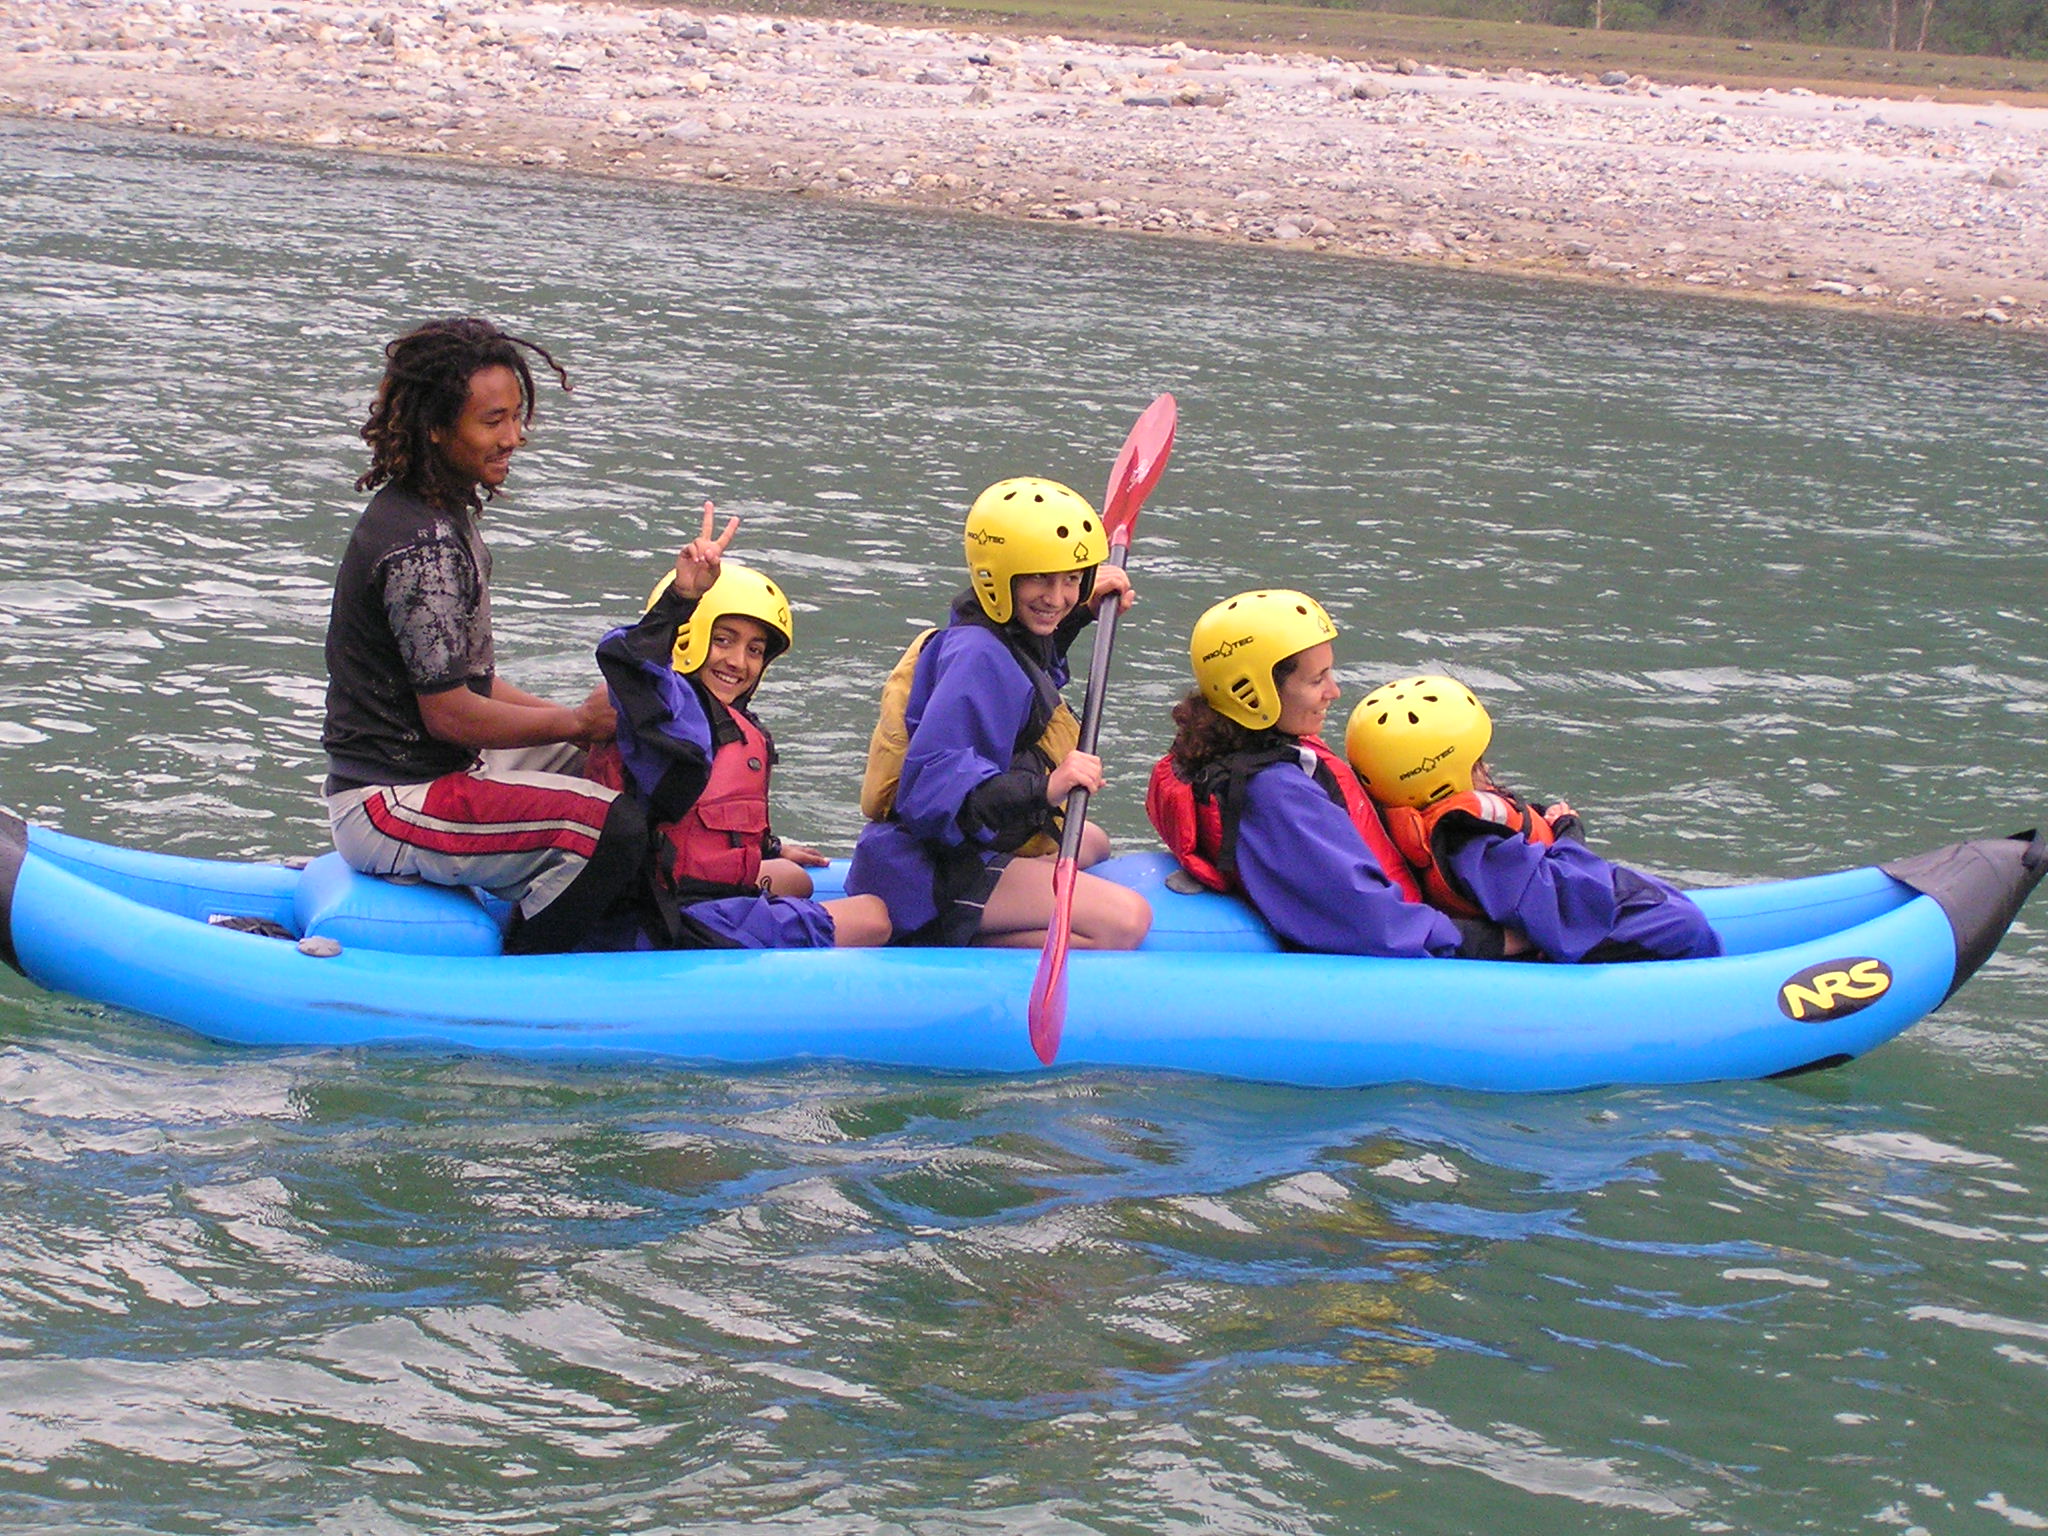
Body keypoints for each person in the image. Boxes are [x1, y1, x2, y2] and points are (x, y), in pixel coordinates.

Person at [321, 317, 645, 955]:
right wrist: (574, 721)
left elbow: (476, 682)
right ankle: (527, 969)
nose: (514, 437)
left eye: (517, 417)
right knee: (615, 830)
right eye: (493, 421)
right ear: (436, 428)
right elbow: (448, 715)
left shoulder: (441, 511)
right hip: (390, 801)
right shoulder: (423, 546)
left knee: (623, 761)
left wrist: (588, 729)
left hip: (445, 769)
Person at [844, 477, 1153, 950]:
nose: (1056, 597)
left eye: (1072, 579)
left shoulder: (999, 627)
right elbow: (930, 798)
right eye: (1040, 578)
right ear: (999, 576)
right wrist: (1046, 788)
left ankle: (1009, 900)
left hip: (971, 842)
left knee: (1093, 841)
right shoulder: (976, 656)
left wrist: (1080, 613)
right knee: (1126, 922)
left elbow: (1025, 690)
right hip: (928, 872)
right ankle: (955, 940)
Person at [584, 509, 891, 949]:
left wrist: (770, 847)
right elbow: (627, 660)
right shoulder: (664, 712)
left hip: (685, 899)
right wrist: (682, 597)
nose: (738, 662)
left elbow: (696, 824)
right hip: (665, 921)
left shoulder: (724, 722)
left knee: (795, 878)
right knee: (875, 917)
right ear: (689, 636)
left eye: (754, 649)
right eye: (723, 640)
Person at [1147, 589, 1512, 959]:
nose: (1334, 691)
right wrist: (1491, 941)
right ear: (1253, 693)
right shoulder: (1274, 794)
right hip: (1403, 941)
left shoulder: (1218, 751)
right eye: (1316, 680)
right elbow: (1373, 923)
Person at [1344, 675, 1721, 963]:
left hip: (1553, 909)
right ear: (1443, 776)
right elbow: (1562, 905)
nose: (1487, 769)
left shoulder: (1430, 825)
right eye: (1477, 763)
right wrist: (1569, 837)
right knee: (1685, 927)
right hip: (1564, 929)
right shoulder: (1469, 843)